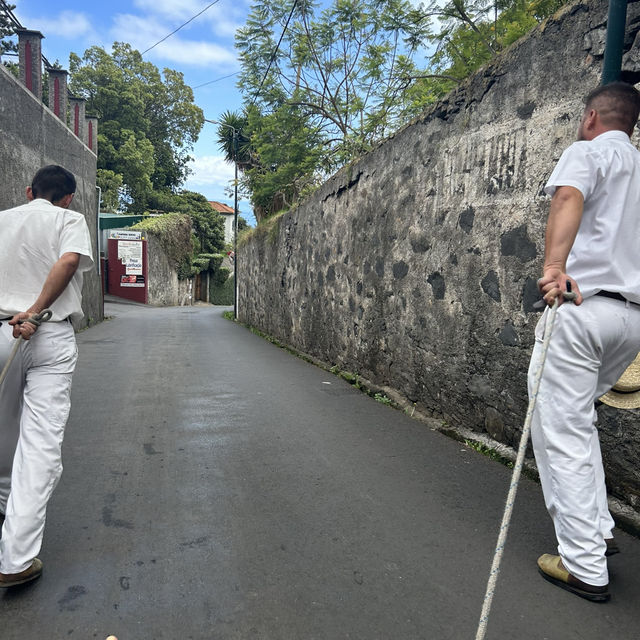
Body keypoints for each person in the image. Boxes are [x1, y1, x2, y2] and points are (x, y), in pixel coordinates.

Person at [531, 81, 640, 602]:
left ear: (592, 117)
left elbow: (568, 195)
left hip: (580, 308)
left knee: (561, 427)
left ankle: (583, 566)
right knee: (580, 419)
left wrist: (554, 267)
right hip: (631, 319)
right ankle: (597, 530)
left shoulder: (587, 151)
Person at [0, 165, 94, 587]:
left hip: (2, 329)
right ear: (69, 197)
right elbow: (70, 260)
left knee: (3, 429)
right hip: (48, 333)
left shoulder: (3, 220)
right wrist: (35, 312)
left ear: (28, 191)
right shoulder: (69, 220)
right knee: (40, 442)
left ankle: (7, 505)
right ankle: (16, 558)